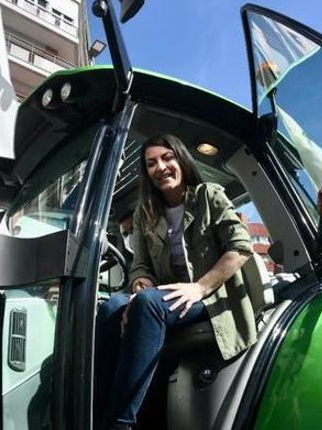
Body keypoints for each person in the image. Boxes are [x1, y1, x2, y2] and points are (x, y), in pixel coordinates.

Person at [94, 134, 256, 429]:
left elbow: (241, 247)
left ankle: (119, 423)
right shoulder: (146, 213)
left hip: (209, 296)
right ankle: (98, 412)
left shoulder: (209, 195)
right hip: (167, 296)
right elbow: (140, 266)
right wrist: (138, 290)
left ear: (181, 160)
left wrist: (199, 287)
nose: (161, 167)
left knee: (149, 304)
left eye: (167, 158)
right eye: (151, 163)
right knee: (109, 309)